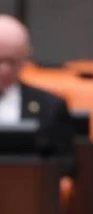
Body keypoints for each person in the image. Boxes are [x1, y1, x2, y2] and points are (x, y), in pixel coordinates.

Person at [0, 15, 75, 176]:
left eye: (12, 62)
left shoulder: (51, 107)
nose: (4, 70)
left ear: (25, 59)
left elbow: (67, 165)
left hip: (28, 186)